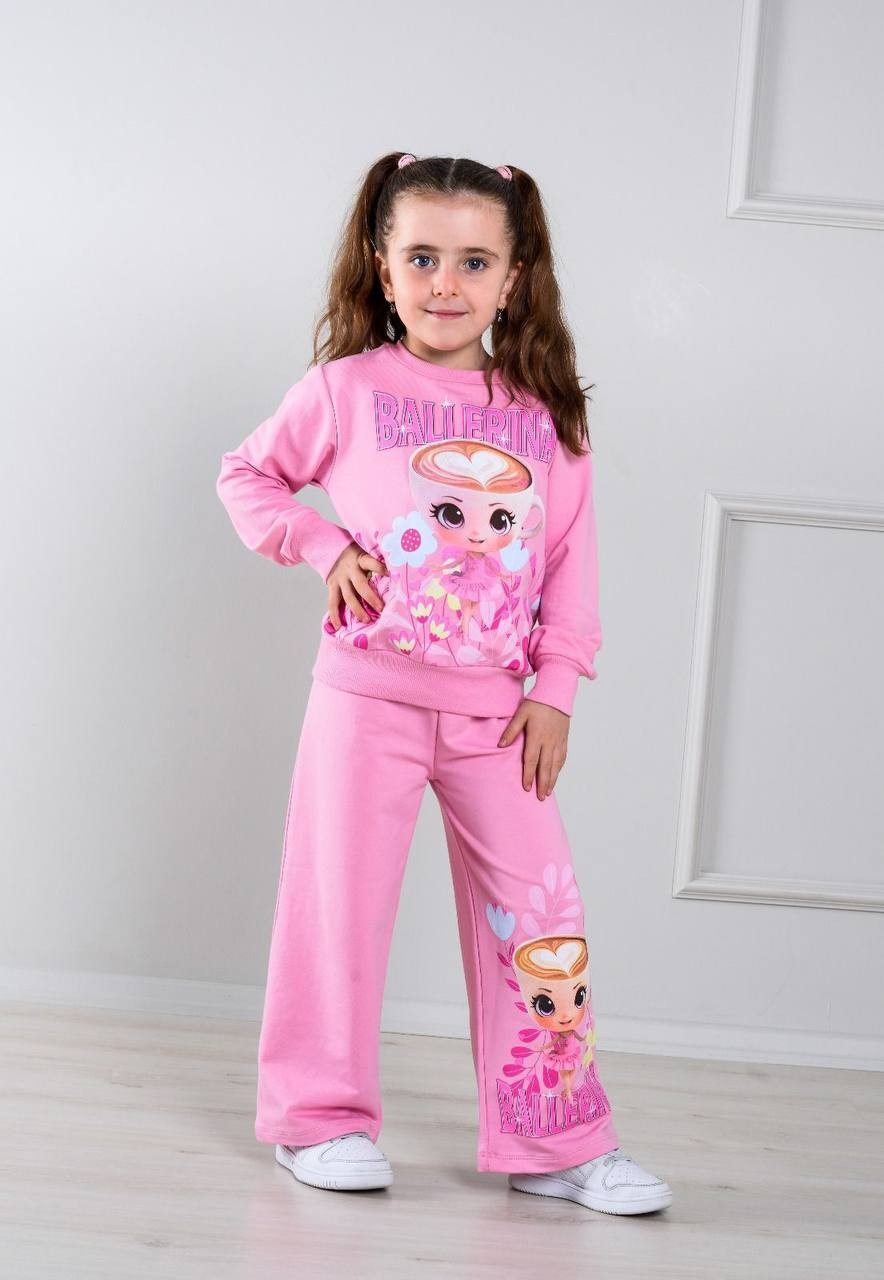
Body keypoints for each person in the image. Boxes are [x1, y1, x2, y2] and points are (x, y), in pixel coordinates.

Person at [215, 152, 673, 1215]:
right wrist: (320, 543)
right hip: (363, 699)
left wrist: (555, 690)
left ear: (513, 278)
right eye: (421, 257)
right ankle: (316, 1120)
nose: (445, 283)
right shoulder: (345, 390)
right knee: (336, 910)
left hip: (498, 716)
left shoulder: (547, 416)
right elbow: (248, 474)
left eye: (473, 261)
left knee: (540, 917)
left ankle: (555, 1141)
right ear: (383, 269)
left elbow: (571, 569)